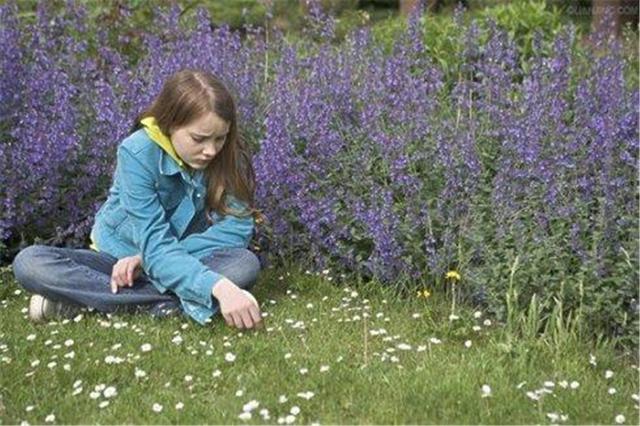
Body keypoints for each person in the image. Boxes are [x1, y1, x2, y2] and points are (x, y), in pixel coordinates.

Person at [12, 69, 266, 330]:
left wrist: (146, 261)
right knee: (30, 263)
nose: (211, 150)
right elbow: (154, 243)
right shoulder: (137, 152)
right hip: (116, 261)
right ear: (169, 125)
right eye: (198, 139)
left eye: (220, 138)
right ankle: (168, 304)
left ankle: (89, 301)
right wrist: (218, 286)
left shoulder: (228, 156)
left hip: (178, 256)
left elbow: (235, 231)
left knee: (244, 264)